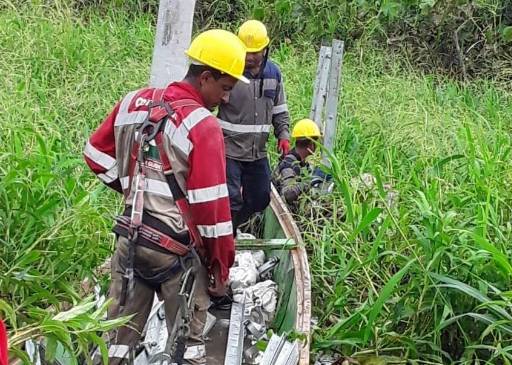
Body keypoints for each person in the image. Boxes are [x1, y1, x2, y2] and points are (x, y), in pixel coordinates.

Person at [84, 29, 246, 365]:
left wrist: (131, 187)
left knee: (115, 340)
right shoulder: (203, 125)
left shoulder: (132, 102)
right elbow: (212, 214)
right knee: (188, 349)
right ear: (205, 78)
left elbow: (95, 153)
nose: (226, 99)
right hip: (175, 255)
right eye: (225, 88)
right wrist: (221, 269)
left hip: (130, 241)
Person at [217, 20, 291, 234]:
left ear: (265, 49)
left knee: (260, 198)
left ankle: (234, 227)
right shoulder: (229, 72)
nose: (249, 57)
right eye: (246, 51)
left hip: (257, 152)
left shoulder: (273, 74)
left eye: (255, 52)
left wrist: (283, 134)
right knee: (230, 200)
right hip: (229, 149)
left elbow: (280, 108)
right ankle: (225, 239)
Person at [272, 119, 332, 206]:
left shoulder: (301, 162)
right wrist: (312, 180)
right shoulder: (289, 165)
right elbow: (288, 195)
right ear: (312, 144)